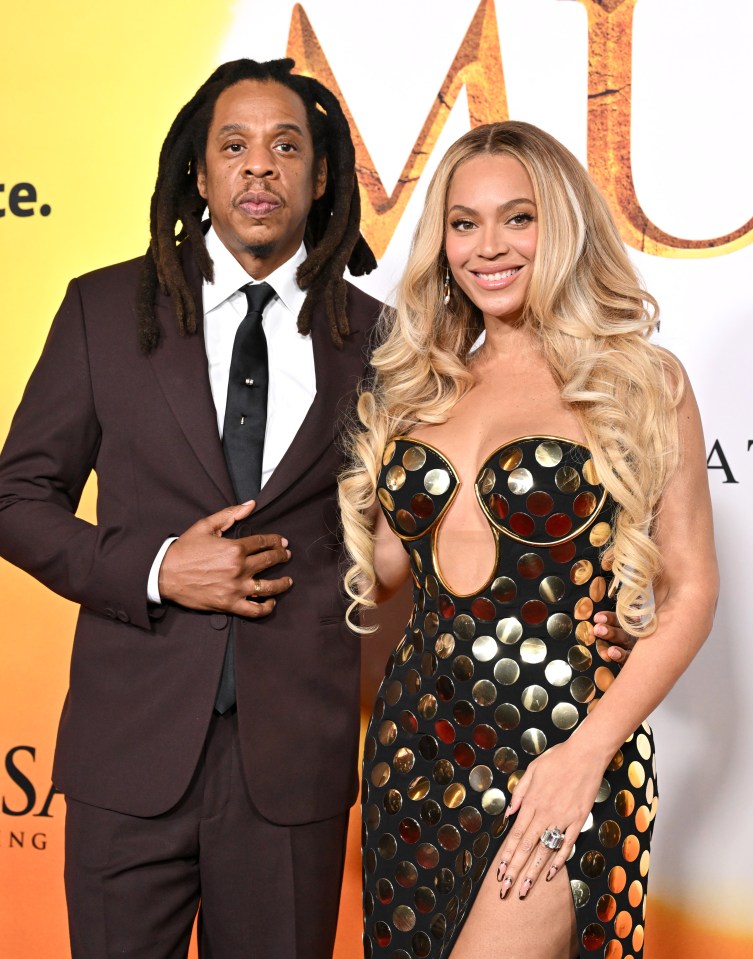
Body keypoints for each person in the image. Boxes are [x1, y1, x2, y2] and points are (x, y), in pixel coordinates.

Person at [0, 57, 382, 959]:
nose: (260, 166)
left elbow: (408, 530)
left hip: (293, 766)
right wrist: (157, 566)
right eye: (235, 145)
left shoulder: (377, 338)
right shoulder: (101, 310)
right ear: (199, 173)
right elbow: (17, 496)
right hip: (127, 754)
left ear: (319, 176)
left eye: (286, 146)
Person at [338, 121, 717, 959]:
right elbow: (389, 574)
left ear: (564, 225)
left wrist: (588, 752)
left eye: (518, 217)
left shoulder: (638, 379)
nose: (488, 247)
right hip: (412, 749)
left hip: (560, 742)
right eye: (463, 223)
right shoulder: (420, 384)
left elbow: (690, 589)